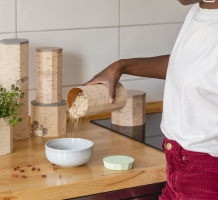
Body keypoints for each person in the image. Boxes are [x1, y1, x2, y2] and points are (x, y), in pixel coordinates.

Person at [84, 0, 218, 199]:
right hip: (177, 164)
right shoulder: (201, 11)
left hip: (206, 174)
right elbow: (188, 65)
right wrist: (122, 66)